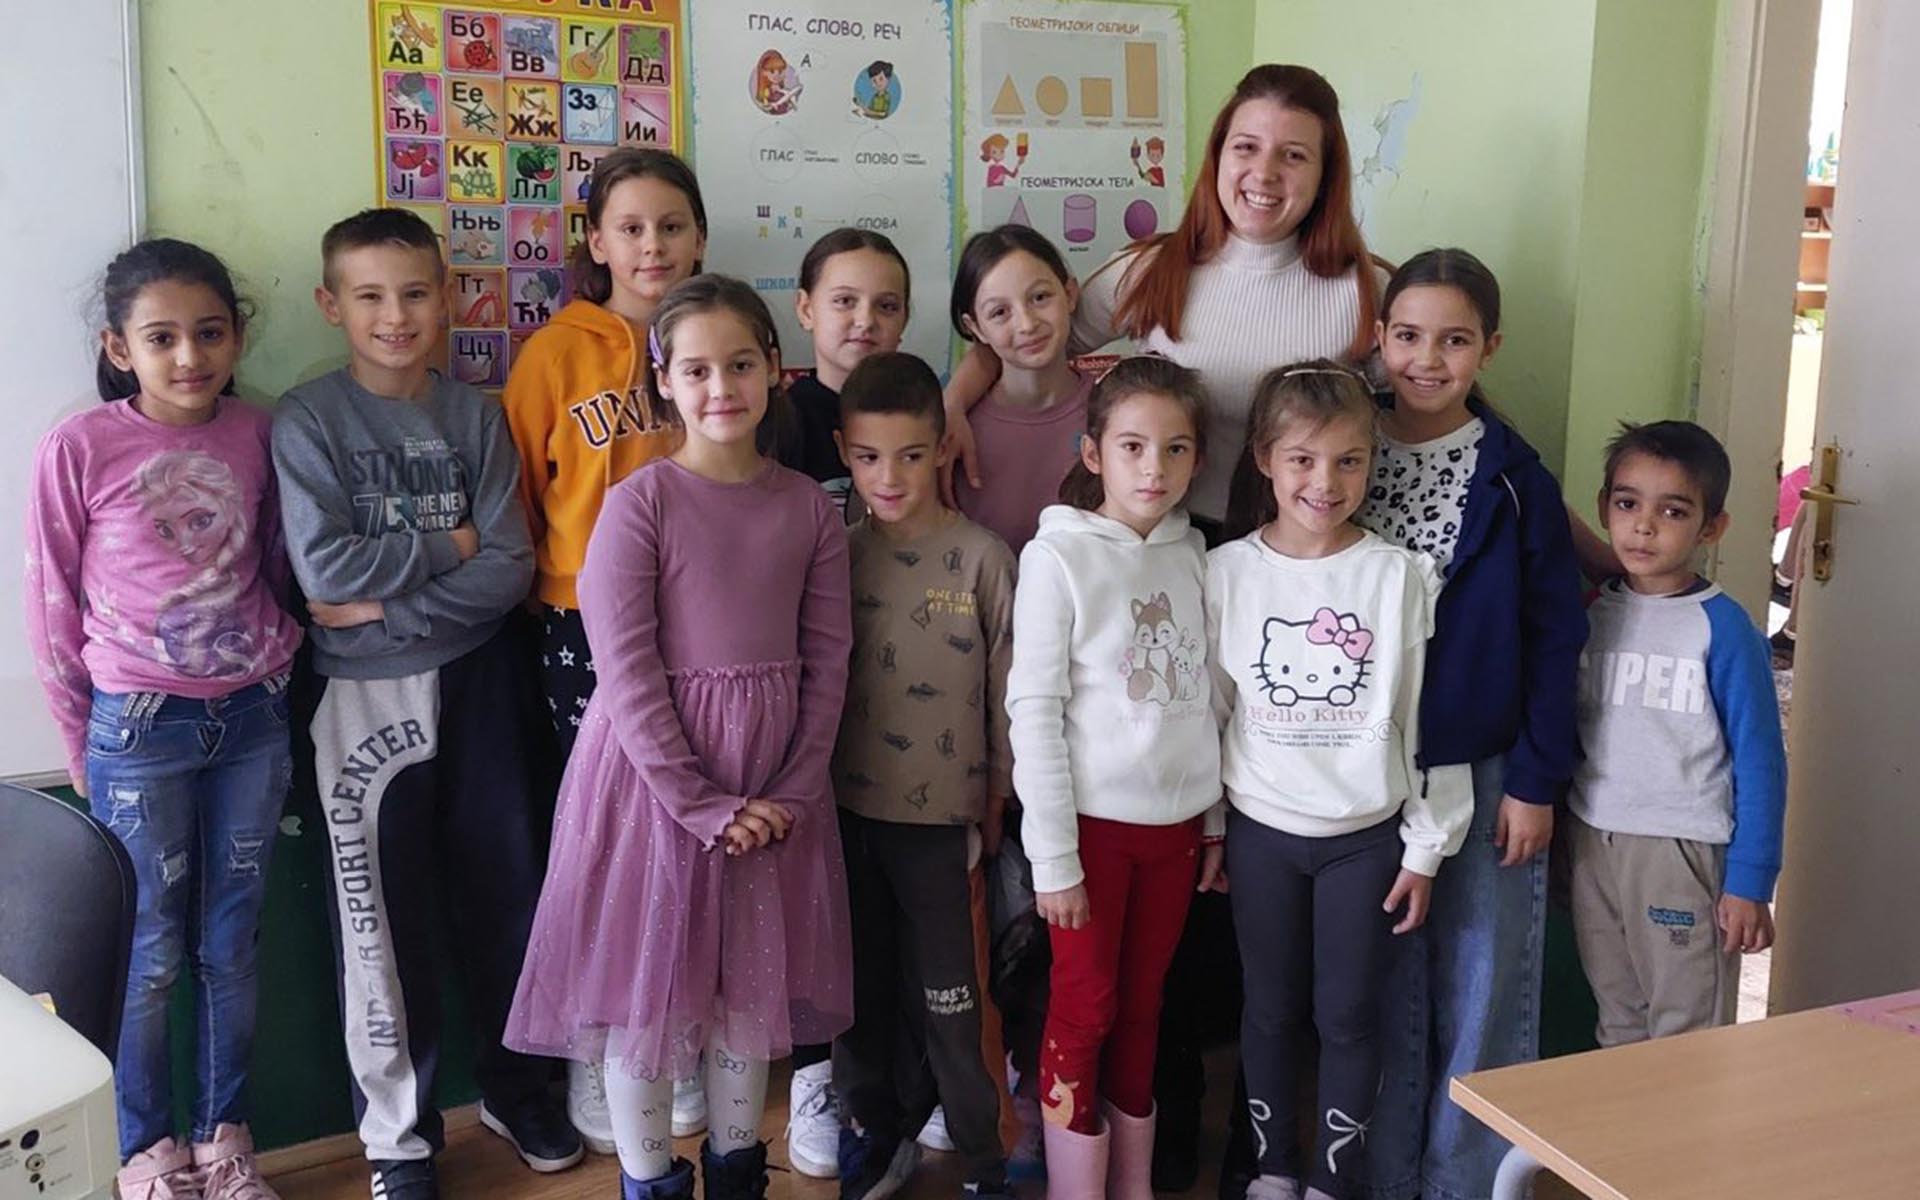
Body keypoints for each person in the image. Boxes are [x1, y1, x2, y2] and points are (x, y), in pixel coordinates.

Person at [504, 275, 853, 1200]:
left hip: (774, 789)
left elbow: (828, 659)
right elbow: (626, 672)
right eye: (695, 369)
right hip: (654, 789)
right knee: (648, 1003)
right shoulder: (641, 502)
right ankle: (650, 1179)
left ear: (774, 369)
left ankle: (738, 1174)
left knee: (748, 997)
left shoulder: (807, 508)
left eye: (739, 364)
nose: (720, 387)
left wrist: (793, 790)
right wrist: (701, 803)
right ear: (664, 380)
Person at [271, 209, 576, 1198]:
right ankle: (399, 1142)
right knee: (379, 928)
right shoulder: (308, 420)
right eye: (369, 296)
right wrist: (448, 550)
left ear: (448, 300)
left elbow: (509, 568)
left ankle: (517, 1090)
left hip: (481, 681)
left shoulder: (474, 417)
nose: (394, 316)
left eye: (413, 293)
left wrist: (385, 607)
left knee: (510, 897)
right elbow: (324, 569)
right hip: (358, 700)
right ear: (331, 306)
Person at [25, 239, 303, 1200]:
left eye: (210, 333)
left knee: (231, 944)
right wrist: (81, 747)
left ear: (238, 337)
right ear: (120, 346)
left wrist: (280, 668)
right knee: (145, 957)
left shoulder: (262, 433)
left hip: (253, 722)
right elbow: (51, 606)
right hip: (139, 731)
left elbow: (279, 565)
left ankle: (226, 1145)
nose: (190, 356)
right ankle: (148, 1154)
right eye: (162, 338)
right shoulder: (82, 447)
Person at [1207, 362, 1472, 1200]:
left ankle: (1331, 1179)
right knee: (1268, 1009)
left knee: (1350, 1017)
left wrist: (1427, 847)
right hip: (1259, 836)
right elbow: (1212, 710)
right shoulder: (1226, 573)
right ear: (1264, 458)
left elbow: (1429, 720)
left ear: (1371, 461)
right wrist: (1212, 828)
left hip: (1366, 843)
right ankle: (1273, 1170)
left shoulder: (1398, 577)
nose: (1325, 483)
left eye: (1349, 460)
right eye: (1302, 460)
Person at [1357, 250, 1589, 1200]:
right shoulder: (1341, 446)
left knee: (1483, 980)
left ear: (1489, 348)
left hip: (1487, 763)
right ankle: (1384, 1175)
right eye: (1408, 336)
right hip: (1361, 765)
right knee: (1381, 982)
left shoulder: (1514, 478)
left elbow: (1555, 635)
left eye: (1453, 340)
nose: (1427, 359)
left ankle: (1465, 1183)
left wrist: (1535, 780)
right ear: (1379, 337)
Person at [501, 148, 709, 1151]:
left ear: (699, 237)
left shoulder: (714, 342)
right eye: (630, 228)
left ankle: (674, 1036)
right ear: (595, 241)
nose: (651, 245)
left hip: (703, 627)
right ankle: (599, 1045)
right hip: (582, 629)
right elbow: (518, 494)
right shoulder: (555, 355)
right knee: (606, 837)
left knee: (688, 830)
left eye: (671, 226)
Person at [1007, 356, 1226, 1200]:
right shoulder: (1057, 557)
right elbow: (1034, 712)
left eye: (1175, 449)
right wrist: (1054, 860)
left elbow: (1209, 700)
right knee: (1086, 1006)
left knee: (1144, 1009)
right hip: (1088, 838)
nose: (1153, 468)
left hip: (1176, 836)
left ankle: (1127, 1186)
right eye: (1132, 446)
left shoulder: (1195, 553)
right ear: (1093, 453)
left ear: (1198, 458)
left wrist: (1212, 823)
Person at [828, 352, 1016, 1200]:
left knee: (953, 1001)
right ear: (844, 452)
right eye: (869, 457)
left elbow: (1010, 693)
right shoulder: (834, 555)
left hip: (943, 828)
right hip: (845, 819)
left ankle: (983, 1158)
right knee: (860, 995)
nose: (889, 476)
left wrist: (998, 796)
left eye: (910, 455)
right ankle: (875, 1131)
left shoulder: (982, 558)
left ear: (943, 448)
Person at [1568, 421, 1786, 1045]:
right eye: (1627, 504)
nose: (1643, 526)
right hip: (1594, 840)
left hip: (1681, 851)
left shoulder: (1724, 628)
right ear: (1604, 507)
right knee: (1618, 1019)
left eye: (1673, 511)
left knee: (1687, 1035)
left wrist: (1750, 881)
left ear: (1711, 528)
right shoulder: (1591, 612)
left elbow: (1762, 762)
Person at [949, 225, 1094, 555]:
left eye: (1040, 297)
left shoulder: (1112, 413)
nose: (1027, 324)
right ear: (975, 328)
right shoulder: (957, 429)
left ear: (1070, 294)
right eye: (1000, 312)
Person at [775, 227, 911, 526]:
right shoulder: (781, 421)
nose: (866, 320)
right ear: (806, 310)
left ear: (904, 319)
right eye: (845, 301)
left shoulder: (921, 413)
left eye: (887, 306)